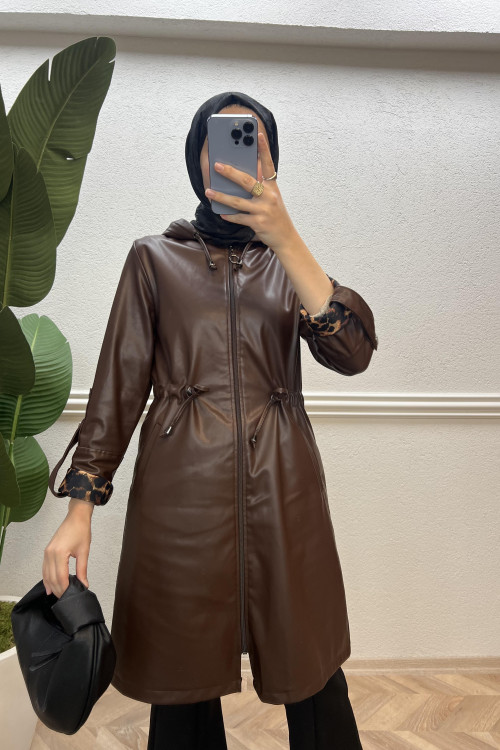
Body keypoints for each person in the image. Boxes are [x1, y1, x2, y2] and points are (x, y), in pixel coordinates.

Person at [45, 91, 375, 748]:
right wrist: (80, 508)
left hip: (285, 490)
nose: (232, 157)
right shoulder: (153, 259)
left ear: (271, 162)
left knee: (312, 668)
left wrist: (286, 238)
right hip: (180, 496)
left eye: (253, 142)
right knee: (182, 679)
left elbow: (353, 353)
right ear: (196, 157)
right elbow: (117, 390)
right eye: (217, 142)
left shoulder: (292, 266)